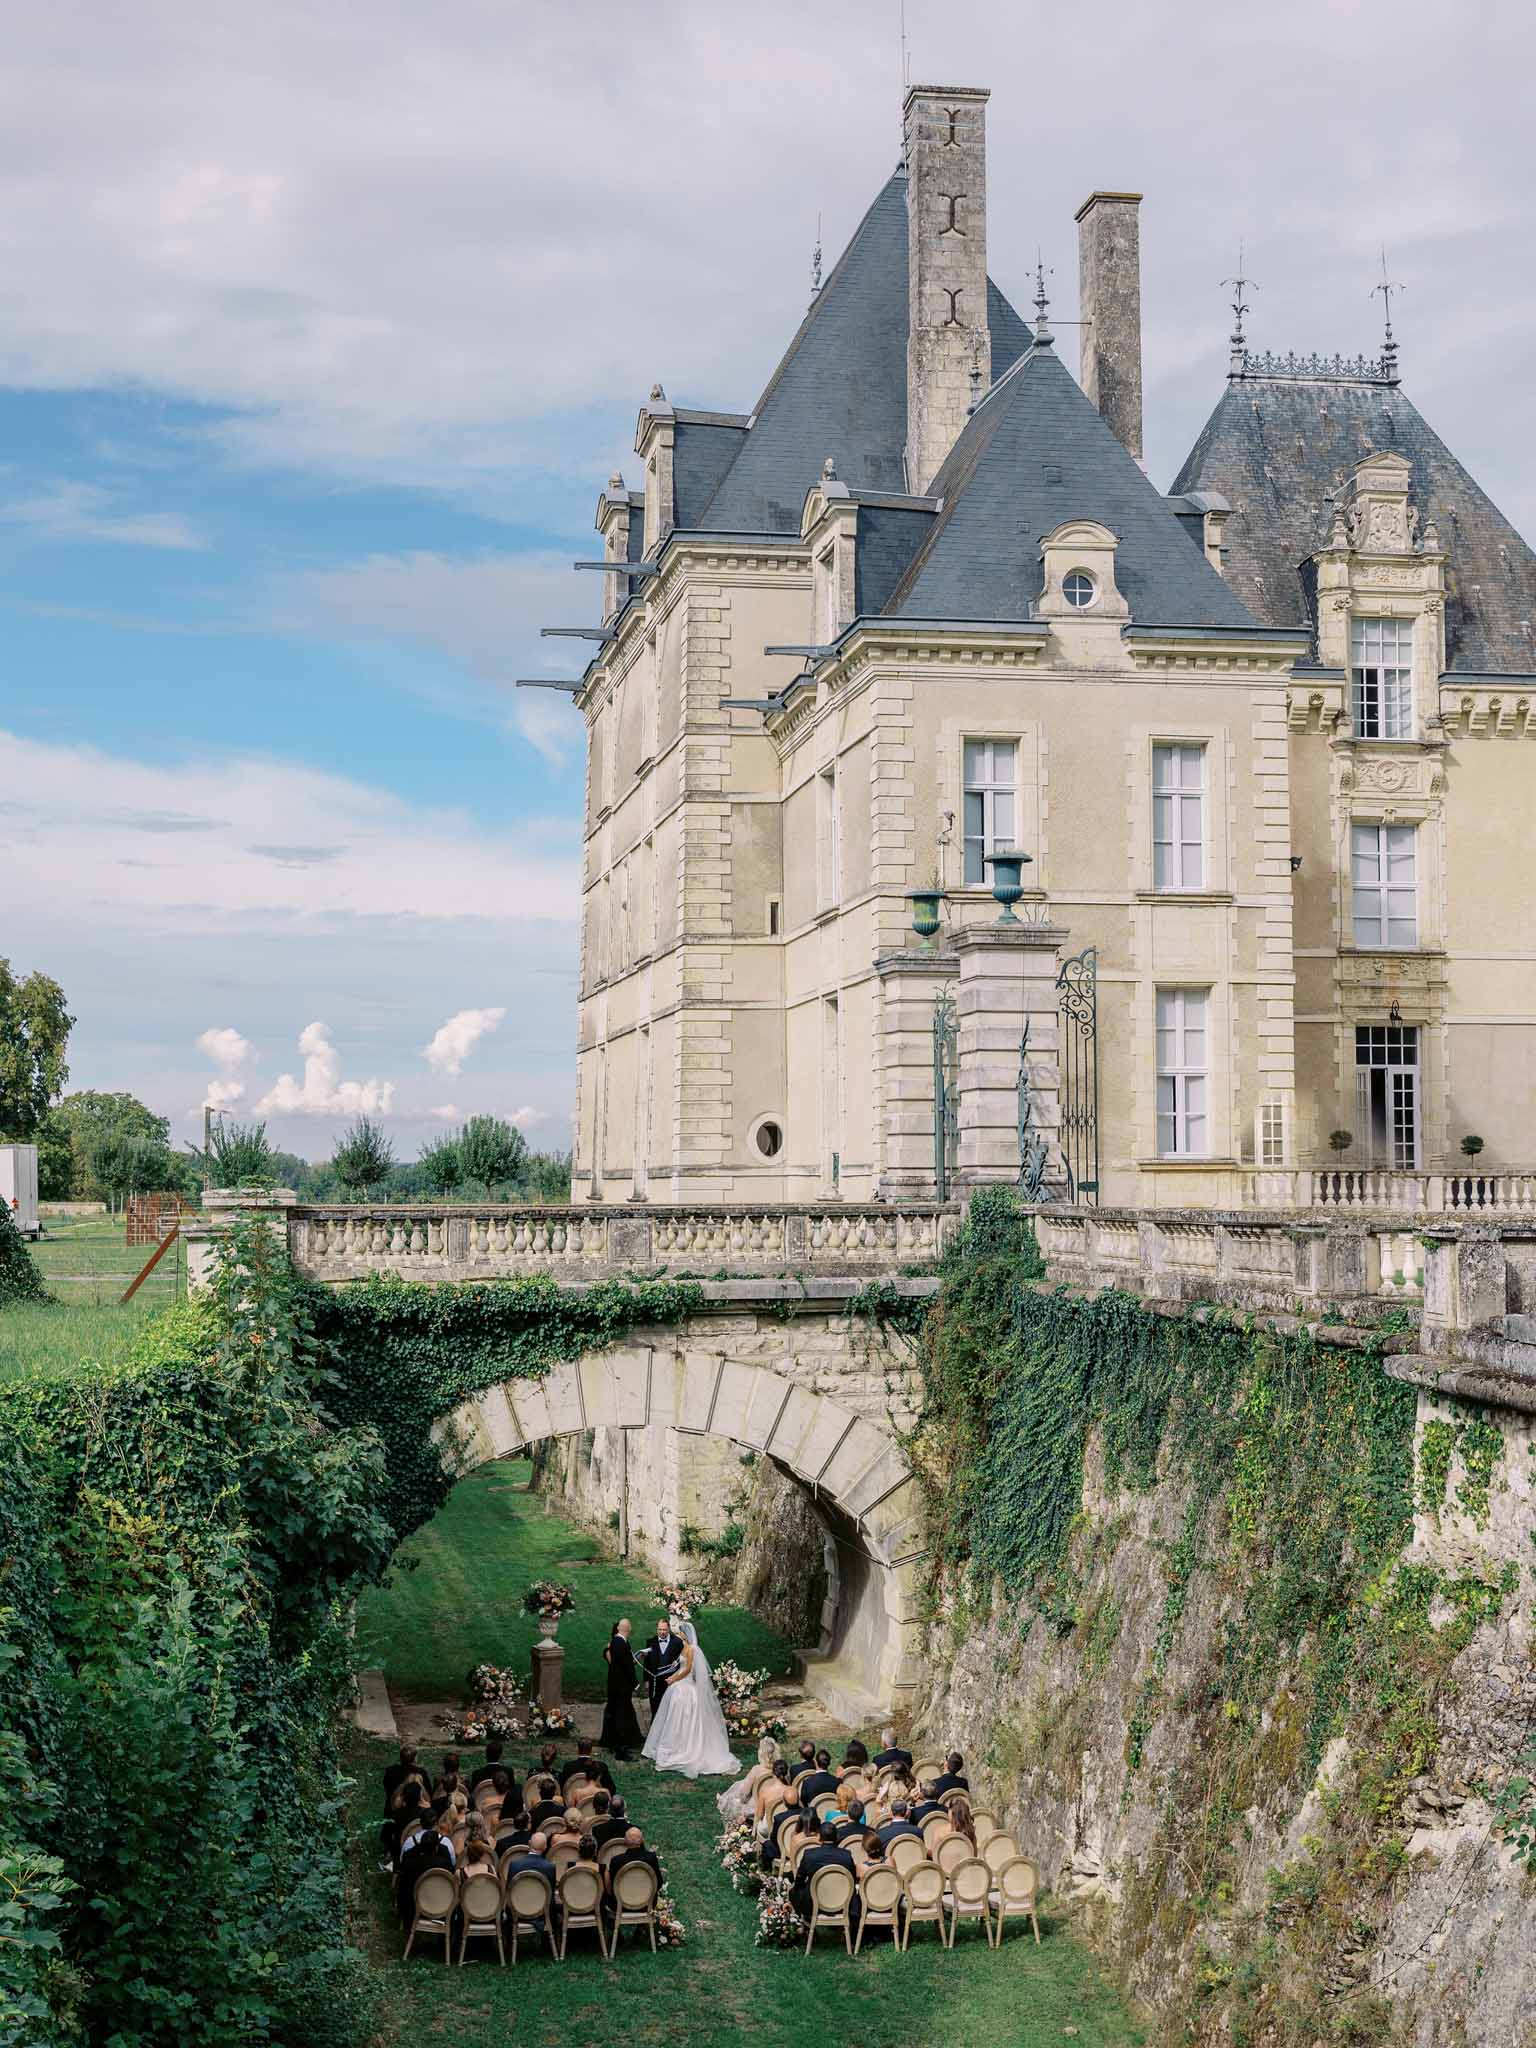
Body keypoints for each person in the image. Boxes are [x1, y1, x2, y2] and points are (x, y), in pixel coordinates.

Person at [641, 1620, 738, 1777]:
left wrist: (674, 1679)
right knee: (673, 1718)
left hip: (686, 1687)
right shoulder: (683, 1647)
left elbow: (687, 1670)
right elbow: (678, 1666)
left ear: (685, 1635)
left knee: (685, 1718)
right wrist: (672, 1675)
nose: (677, 1635)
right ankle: (673, 1746)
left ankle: (687, 1749)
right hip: (678, 1684)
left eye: (680, 1633)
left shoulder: (692, 1649)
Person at [789, 1820, 858, 1927]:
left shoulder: (809, 1855)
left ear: (819, 1836)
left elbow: (799, 1881)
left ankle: (805, 1924)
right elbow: (852, 1880)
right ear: (836, 1837)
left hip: (814, 1902)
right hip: (843, 1901)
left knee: (793, 1892)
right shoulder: (846, 1855)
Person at [601, 1618, 644, 1760]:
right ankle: (621, 1749)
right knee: (621, 1716)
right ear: (625, 1629)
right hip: (620, 1687)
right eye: (629, 1626)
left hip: (617, 1686)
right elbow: (626, 1667)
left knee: (622, 1713)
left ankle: (624, 1742)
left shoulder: (619, 1642)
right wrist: (635, 1683)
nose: (631, 1629)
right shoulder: (620, 1643)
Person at [395, 1821, 453, 1924]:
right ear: (436, 1847)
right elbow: (452, 1870)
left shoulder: (412, 1864)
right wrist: (442, 1848)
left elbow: (403, 1862)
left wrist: (418, 1847)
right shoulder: (444, 1863)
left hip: (415, 1907)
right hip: (441, 1906)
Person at [718, 1733, 780, 1827]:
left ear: (761, 1753)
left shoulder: (757, 1770)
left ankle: (724, 1799)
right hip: (776, 1804)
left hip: (756, 1806)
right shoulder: (780, 1768)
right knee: (739, 1785)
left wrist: (741, 1801)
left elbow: (745, 1793)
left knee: (736, 1795)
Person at [640, 1614, 686, 1718]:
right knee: (655, 1707)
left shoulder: (677, 1642)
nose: (662, 1632)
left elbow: (682, 1661)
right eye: (660, 1629)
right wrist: (646, 1680)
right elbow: (647, 1662)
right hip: (655, 1681)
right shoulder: (650, 1642)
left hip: (671, 1681)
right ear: (657, 1629)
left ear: (669, 1629)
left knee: (671, 1708)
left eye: (664, 1629)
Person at [382, 1744, 430, 1814]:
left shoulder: (390, 1771)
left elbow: (387, 1789)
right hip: (414, 1811)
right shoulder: (421, 1773)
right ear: (415, 1759)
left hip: (392, 1810)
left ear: (400, 1758)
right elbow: (428, 1798)